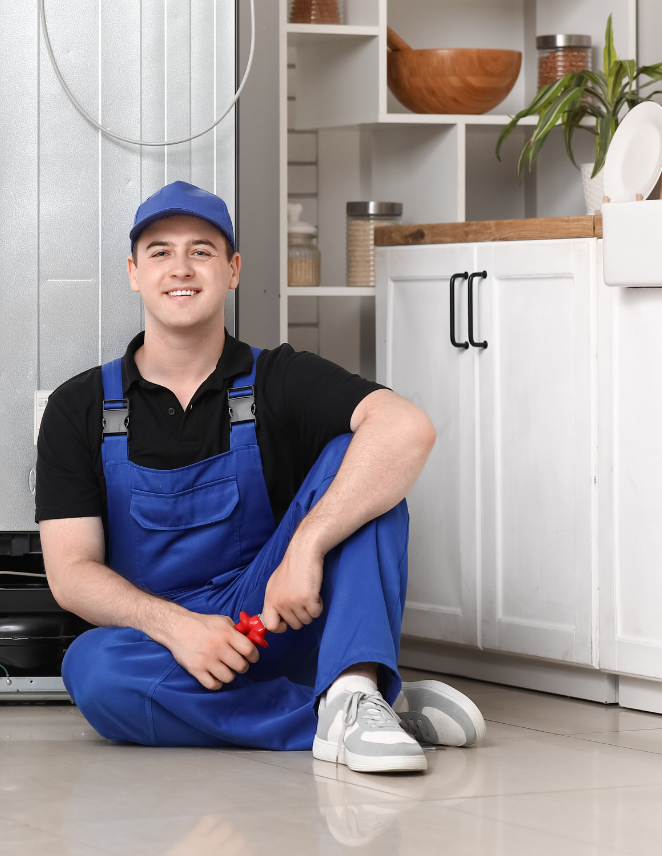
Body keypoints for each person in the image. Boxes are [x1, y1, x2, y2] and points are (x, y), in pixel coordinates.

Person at [37, 181, 486, 773]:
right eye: (160, 252)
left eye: (201, 251)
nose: (181, 268)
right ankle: (349, 709)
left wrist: (307, 544)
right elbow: (71, 575)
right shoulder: (81, 406)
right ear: (133, 272)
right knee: (92, 670)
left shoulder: (279, 378)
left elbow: (407, 429)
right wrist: (179, 628)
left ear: (233, 270)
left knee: (365, 462)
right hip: (165, 647)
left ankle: (349, 689)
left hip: (276, 618)